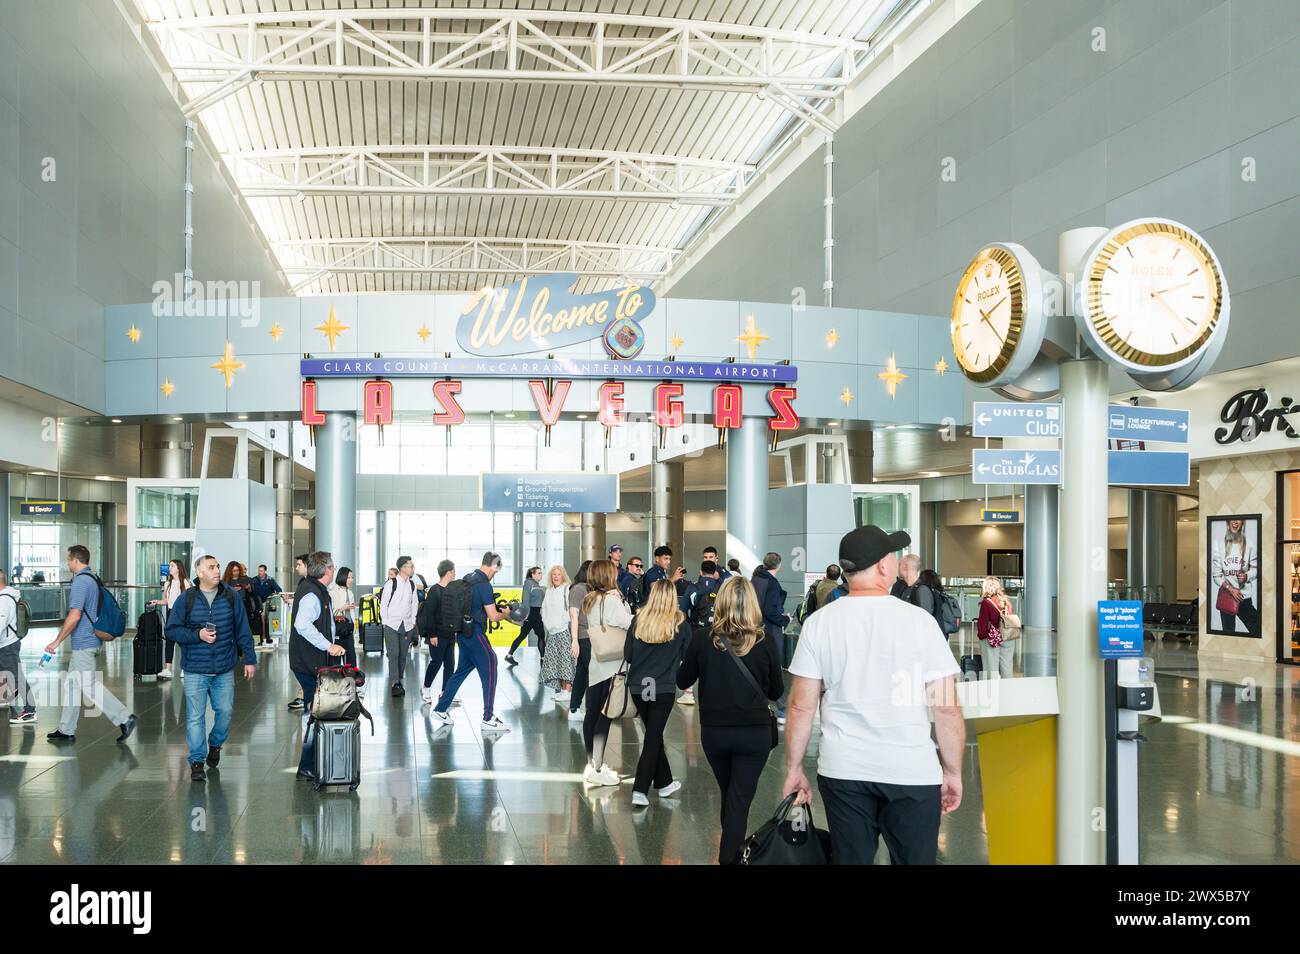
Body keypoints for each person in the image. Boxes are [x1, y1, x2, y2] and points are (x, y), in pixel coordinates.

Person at [783, 525, 965, 865]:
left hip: (844, 769)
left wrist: (794, 768)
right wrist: (952, 771)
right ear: (883, 566)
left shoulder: (820, 623)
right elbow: (946, 709)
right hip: (911, 771)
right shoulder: (920, 623)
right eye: (893, 556)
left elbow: (800, 706)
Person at [676, 576, 784, 864]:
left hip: (715, 733)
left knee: (732, 795)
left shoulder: (703, 638)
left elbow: (682, 679)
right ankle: (731, 858)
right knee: (738, 800)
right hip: (754, 734)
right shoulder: (765, 640)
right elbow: (777, 691)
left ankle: (732, 851)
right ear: (752, 604)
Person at [166, 555, 257, 782]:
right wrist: (197, 635)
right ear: (200, 573)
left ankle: (215, 743)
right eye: (211, 567)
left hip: (224, 668)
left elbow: (242, 628)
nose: (217, 570)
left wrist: (250, 659)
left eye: (217, 566)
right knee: (195, 718)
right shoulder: (186, 599)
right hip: (196, 669)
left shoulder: (231, 597)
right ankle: (197, 761)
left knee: (225, 712)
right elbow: (171, 630)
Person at [44, 545, 137, 745]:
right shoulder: (92, 578)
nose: (67, 563)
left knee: (88, 685)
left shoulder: (80, 582)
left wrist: (57, 640)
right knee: (72, 686)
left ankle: (124, 718)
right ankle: (66, 729)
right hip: (87, 640)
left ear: (76, 561)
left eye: (68, 560)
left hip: (84, 642)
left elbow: (75, 615)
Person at [430, 553, 512, 733]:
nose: (495, 575)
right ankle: (488, 718)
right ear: (494, 566)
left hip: (461, 632)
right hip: (475, 633)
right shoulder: (484, 585)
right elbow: (493, 616)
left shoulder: (468, 578)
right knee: (491, 665)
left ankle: (440, 708)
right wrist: (506, 614)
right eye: (496, 571)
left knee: (460, 672)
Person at [624, 579, 689, 805]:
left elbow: (629, 655)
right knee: (653, 736)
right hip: (662, 687)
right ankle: (639, 789)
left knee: (653, 734)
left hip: (638, 687)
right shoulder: (680, 622)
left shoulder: (638, 620)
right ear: (673, 597)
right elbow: (687, 656)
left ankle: (664, 783)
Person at [288, 551, 347, 781]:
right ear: (326, 570)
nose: (333, 570)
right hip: (309, 662)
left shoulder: (314, 589)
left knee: (314, 711)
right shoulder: (313, 593)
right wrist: (328, 646)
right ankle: (306, 766)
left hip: (309, 662)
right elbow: (302, 625)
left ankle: (311, 762)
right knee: (313, 713)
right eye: (332, 567)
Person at [579, 559, 631, 786]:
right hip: (613, 666)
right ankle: (598, 769)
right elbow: (629, 623)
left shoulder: (590, 600)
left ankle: (592, 764)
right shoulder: (612, 601)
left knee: (591, 714)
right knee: (605, 716)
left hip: (597, 664)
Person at [417, 560, 459, 705]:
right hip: (437, 635)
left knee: (450, 664)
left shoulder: (452, 590)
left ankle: (445, 693)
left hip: (450, 634)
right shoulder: (435, 591)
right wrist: (432, 635)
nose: (455, 573)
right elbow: (429, 615)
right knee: (436, 662)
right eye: (454, 571)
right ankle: (426, 688)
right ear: (448, 573)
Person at [380, 556, 420, 697]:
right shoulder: (391, 583)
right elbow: (383, 603)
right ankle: (395, 683)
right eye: (410, 566)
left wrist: (413, 620)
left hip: (407, 625)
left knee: (403, 655)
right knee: (394, 654)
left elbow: (414, 603)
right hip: (392, 624)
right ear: (402, 568)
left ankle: (399, 679)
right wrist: (385, 622)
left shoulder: (412, 585)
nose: (412, 568)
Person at [0, 569, 36, 725]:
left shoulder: (4, 599)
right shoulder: (6, 597)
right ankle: (5, 697)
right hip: (6, 643)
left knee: (17, 677)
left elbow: (0, 624)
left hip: (8, 644)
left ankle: (30, 710)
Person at [1212, 517, 1259, 635]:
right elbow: (1216, 575)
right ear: (1228, 523)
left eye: (1238, 519)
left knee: (1258, 630)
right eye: (1232, 520)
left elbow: (1256, 569)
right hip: (1227, 597)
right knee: (1228, 634)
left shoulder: (1249, 544)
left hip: (1244, 598)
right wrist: (1231, 589)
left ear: (1242, 523)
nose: (1235, 521)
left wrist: (1246, 576)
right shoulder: (1219, 545)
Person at [538, 564, 575, 696]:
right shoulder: (549, 591)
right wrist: (548, 624)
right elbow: (544, 610)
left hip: (564, 630)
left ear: (563, 576)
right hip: (552, 632)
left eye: (559, 574)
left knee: (565, 660)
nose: (556, 577)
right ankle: (560, 689)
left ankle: (567, 690)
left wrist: (561, 622)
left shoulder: (567, 589)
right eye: (554, 574)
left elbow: (570, 610)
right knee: (555, 661)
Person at [150, 558, 189, 679]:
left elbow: (190, 601)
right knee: (170, 641)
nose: (169, 568)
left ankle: (185, 668)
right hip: (171, 613)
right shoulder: (168, 583)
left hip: (183, 614)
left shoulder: (186, 583)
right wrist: (157, 602)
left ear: (178, 568)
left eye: (172, 566)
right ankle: (168, 669)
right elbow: (166, 601)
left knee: (183, 642)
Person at [567, 560, 593, 721]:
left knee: (582, 673)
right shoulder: (578, 589)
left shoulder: (590, 589)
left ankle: (575, 709)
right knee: (591, 673)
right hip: (585, 637)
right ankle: (589, 709)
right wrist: (574, 640)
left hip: (590, 636)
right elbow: (573, 616)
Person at [506, 566, 546, 666]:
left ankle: (543, 659)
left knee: (541, 635)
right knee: (523, 636)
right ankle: (509, 656)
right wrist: (526, 616)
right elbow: (525, 601)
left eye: (541, 573)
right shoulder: (529, 583)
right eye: (539, 573)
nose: (541, 575)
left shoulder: (537, 585)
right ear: (532, 574)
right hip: (530, 614)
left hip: (536, 614)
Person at [977, 576, 1014, 679]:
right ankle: (1007, 690)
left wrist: (981, 637)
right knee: (1007, 668)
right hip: (1008, 637)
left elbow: (983, 626)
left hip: (992, 638)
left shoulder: (987, 603)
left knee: (991, 669)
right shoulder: (1006, 601)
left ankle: (991, 692)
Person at [287, 554, 309, 711]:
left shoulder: (312, 585)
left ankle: (304, 696)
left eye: (299, 564)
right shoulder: (304, 583)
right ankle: (303, 695)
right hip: (300, 633)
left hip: (307, 634)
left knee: (304, 666)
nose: (296, 568)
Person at [327, 566, 358, 669]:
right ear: (342, 577)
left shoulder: (350, 593)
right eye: (348, 577)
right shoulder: (333, 592)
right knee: (335, 663)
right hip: (338, 631)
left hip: (348, 630)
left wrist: (354, 630)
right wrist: (342, 608)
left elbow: (352, 613)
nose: (351, 580)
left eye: (352, 577)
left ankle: (350, 682)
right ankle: (335, 683)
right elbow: (330, 613)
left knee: (351, 661)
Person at [251, 563, 282, 647]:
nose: (260, 572)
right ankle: (259, 639)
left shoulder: (270, 580)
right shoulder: (254, 580)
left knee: (264, 620)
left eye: (261, 570)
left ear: (265, 571)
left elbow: (279, 590)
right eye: (259, 570)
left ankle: (266, 638)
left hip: (266, 603)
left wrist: (273, 595)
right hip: (256, 603)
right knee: (257, 622)